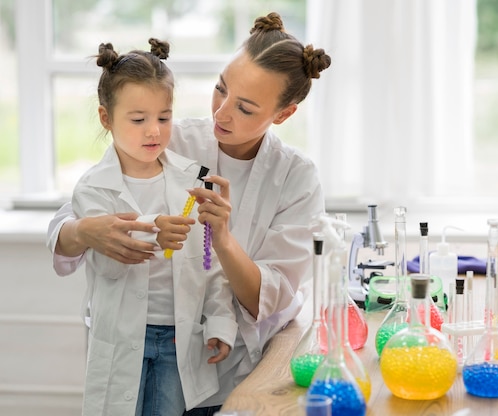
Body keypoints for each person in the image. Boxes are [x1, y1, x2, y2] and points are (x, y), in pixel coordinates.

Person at [46, 12, 332, 416]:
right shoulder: (167, 137)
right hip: (143, 347)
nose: (222, 113)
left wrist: (224, 240)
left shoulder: (296, 178)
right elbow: (72, 217)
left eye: (245, 108)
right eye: (221, 89)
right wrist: (89, 232)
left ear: (283, 114)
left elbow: (267, 297)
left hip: (237, 367)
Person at [66, 39, 238, 415]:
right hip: (121, 338)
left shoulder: (193, 181)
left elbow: (209, 264)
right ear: (106, 118)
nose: (154, 131)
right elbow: (111, 265)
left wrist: (221, 323)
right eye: (138, 119)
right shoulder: (94, 188)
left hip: (179, 340)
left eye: (164, 117)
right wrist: (152, 230)